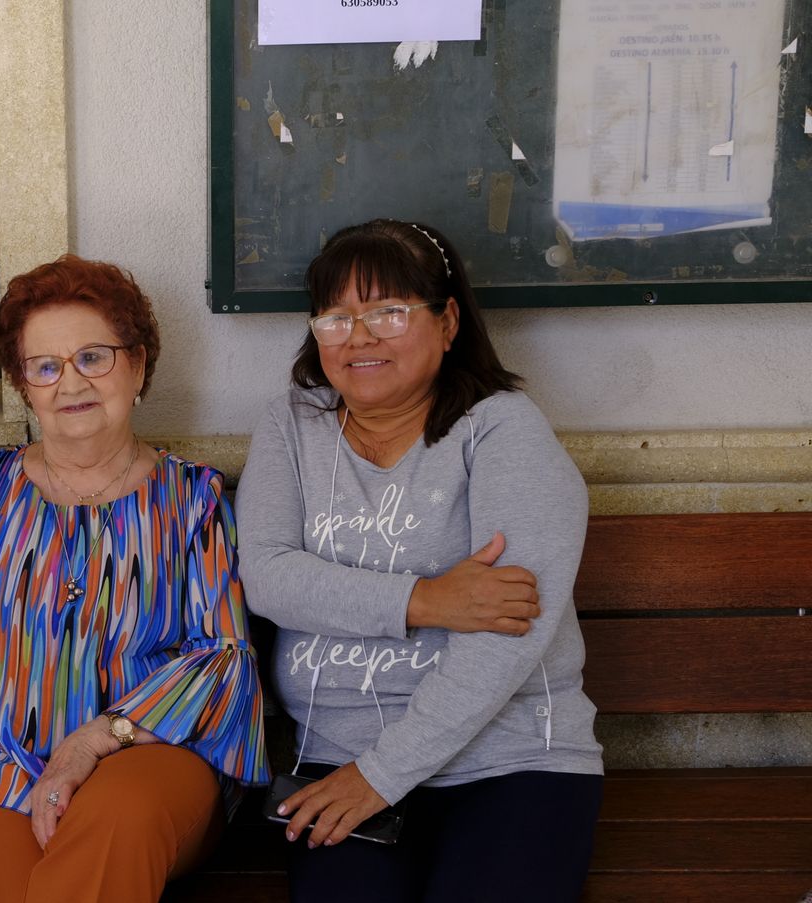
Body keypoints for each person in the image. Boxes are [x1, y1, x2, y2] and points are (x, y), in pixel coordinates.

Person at [0, 255, 269, 902]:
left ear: (139, 364)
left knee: (118, 821)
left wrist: (96, 739)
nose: (71, 382)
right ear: (25, 386)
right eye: (45, 366)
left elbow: (225, 659)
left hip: (146, 758)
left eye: (94, 356)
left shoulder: (191, 498)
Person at [235, 219, 603, 902]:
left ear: (449, 319)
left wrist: (380, 773)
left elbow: (506, 634)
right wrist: (424, 600)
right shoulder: (293, 423)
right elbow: (268, 575)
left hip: (512, 759)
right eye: (337, 316)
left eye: (389, 311)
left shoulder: (501, 430)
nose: (359, 336)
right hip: (333, 756)